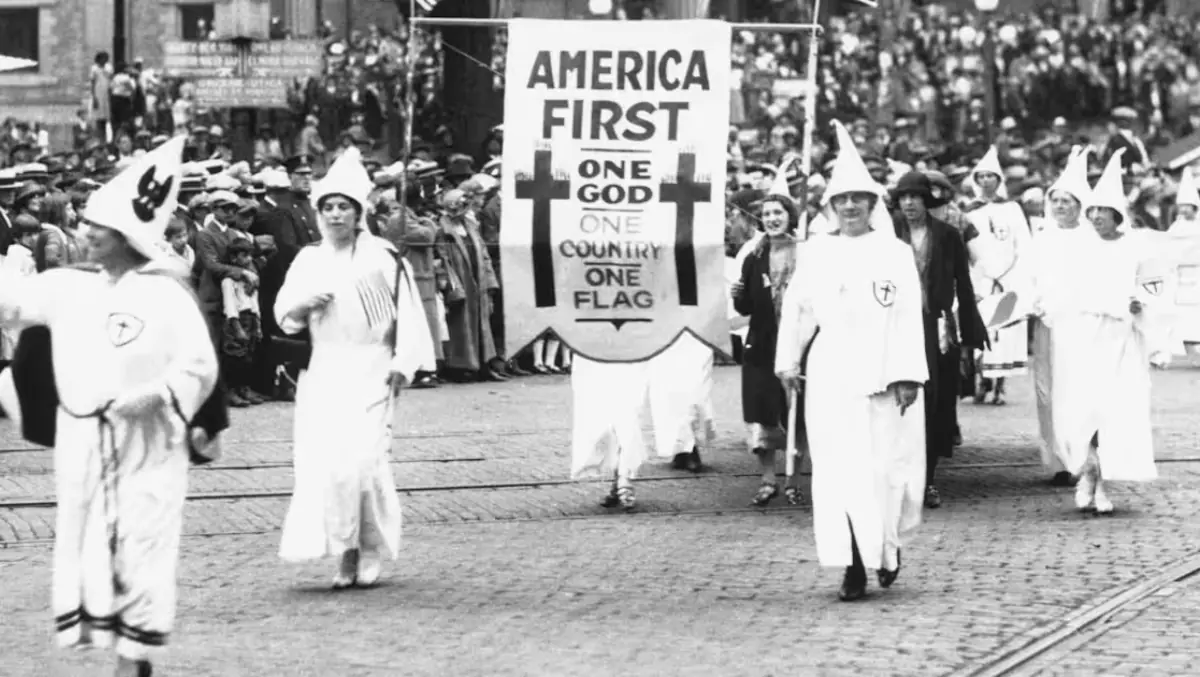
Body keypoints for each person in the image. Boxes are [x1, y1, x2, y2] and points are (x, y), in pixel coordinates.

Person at [0, 137, 219, 677]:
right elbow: (12, 306)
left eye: (100, 226)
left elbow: (200, 364)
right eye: (88, 222)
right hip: (84, 444)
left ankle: (135, 654)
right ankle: (115, 637)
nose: (87, 232)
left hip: (148, 442)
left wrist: (160, 395)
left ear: (127, 236)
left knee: (144, 539)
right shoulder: (67, 289)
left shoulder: (166, 296)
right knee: (94, 540)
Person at [775, 121, 927, 602]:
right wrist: (787, 360)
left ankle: (886, 545)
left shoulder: (895, 252)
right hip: (830, 371)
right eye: (841, 200)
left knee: (882, 467)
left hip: (883, 371)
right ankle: (853, 564)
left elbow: (906, 316)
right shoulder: (816, 250)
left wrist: (907, 374)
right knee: (838, 469)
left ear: (872, 204)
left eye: (859, 198)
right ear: (830, 207)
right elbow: (797, 308)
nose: (850, 207)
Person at [274, 148, 435, 589]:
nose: (336, 215)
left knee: (364, 464)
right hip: (325, 368)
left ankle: (369, 549)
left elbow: (407, 314)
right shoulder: (309, 259)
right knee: (328, 467)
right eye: (328, 207)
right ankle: (343, 553)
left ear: (358, 211)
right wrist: (303, 304)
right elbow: (284, 313)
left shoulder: (382, 256)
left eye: (344, 206)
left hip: (372, 366)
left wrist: (403, 363)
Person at [1048, 150, 1173, 514]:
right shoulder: (1077, 247)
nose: (1098, 216)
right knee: (1082, 410)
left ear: (1117, 213)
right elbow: (1062, 292)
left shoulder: (1136, 246)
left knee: (1112, 413)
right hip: (1082, 337)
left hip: (1120, 341)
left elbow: (1154, 287)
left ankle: (1100, 479)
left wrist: (1140, 307)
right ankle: (1087, 471)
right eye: (1093, 210)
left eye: (1104, 210)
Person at [891, 172, 987, 509]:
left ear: (926, 200)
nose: (909, 204)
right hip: (895, 329)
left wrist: (969, 334)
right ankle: (897, 480)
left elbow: (963, 282)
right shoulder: (887, 236)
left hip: (937, 330)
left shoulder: (946, 235)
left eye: (915, 197)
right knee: (896, 403)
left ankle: (928, 479)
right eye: (903, 198)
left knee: (934, 403)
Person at [731, 177, 806, 506]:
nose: (774, 218)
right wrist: (738, 296)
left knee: (797, 411)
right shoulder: (754, 255)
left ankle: (793, 478)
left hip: (799, 346)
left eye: (779, 212)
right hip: (761, 344)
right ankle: (767, 478)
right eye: (768, 214)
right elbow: (745, 306)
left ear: (790, 216)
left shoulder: (806, 253)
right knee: (762, 410)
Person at [1028, 146, 1096, 486]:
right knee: (1048, 391)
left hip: (1082, 326)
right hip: (1049, 325)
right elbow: (1029, 278)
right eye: (1055, 200)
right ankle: (1057, 459)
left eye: (1066, 201)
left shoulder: (1092, 240)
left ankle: (1084, 456)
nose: (1059, 206)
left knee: (1080, 389)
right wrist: (1034, 301)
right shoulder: (1042, 238)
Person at [964, 147, 1032, 405]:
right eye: (980, 176)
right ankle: (982, 382)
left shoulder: (1012, 209)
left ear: (998, 180)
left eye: (990, 176)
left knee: (1004, 331)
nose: (985, 181)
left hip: (1008, 277)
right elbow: (967, 245)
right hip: (981, 277)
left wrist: (1017, 275)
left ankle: (1000, 385)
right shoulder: (970, 211)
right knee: (981, 331)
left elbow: (1023, 243)